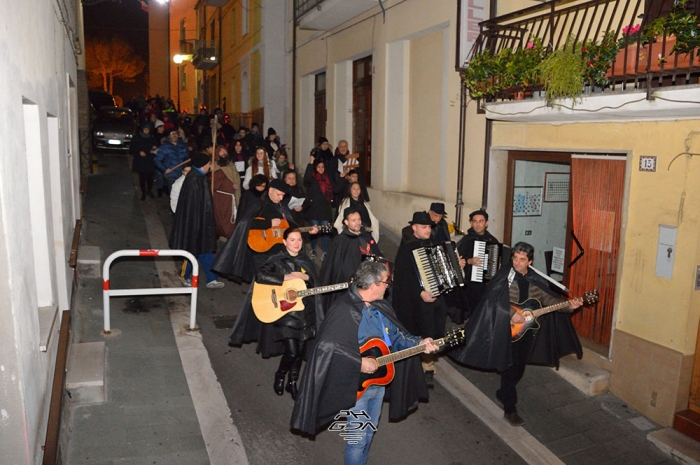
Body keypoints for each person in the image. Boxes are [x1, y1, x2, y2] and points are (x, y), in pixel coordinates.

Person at [290, 261, 440, 465]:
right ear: (374, 285)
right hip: (355, 387)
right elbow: (326, 348)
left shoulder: (381, 307)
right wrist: (358, 362)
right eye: (386, 282)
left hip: (378, 384)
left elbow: (396, 337)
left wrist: (420, 342)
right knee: (358, 441)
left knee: (369, 433)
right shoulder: (344, 310)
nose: (389, 285)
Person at [450, 242, 583, 427]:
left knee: (518, 368)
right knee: (509, 366)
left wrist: (569, 306)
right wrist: (512, 313)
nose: (517, 263)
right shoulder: (505, 275)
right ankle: (510, 409)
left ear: (530, 261)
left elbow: (548, 299)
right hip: (504, 329)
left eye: (522, 260)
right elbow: (492, 298)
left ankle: (503, 393)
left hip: (527, 332)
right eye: (515, 258)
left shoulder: (534, 279)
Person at [228, 228, 324, 399]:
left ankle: (292, 382)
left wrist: (308, 279)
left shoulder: (305, 260)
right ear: (284, 242)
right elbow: (261, 275)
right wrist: (284, 277)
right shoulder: (276, 260)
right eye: (292, 240)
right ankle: (280, 375)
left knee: (300, 351)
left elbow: (314, 286)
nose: (297, 243)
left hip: (304, 314)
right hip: (286, 313)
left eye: (299, 240)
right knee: (292, 352)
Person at [393, 211, 464, 388]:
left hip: (433, 297)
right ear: (414, 228)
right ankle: (414, 366)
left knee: (432, 327)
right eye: (423, 227)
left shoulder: (432, 244)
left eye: (429, 227)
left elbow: (442, 269)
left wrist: (456, 265)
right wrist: (420, 292)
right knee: (416, 331)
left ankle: (428, 364)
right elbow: (403, 278)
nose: (427, 230)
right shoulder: (407, 247)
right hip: (413, 299)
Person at [212, 179, 317, 283]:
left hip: (277, 251)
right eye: (278, 195)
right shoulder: (258, 203)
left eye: (283, 196)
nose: (281, 198)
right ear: (270, 190)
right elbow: (244, 222)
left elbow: (290, 226)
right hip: (260, 250)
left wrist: (308, 231)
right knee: (262, 280)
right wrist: (268, 224)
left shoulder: (281, 206)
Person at [169, 152, 225, 289]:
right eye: (209, 163)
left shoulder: (198, 177)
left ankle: (211, 278)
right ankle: (184, 276)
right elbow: (193, 206)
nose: (210, 166)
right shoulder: (195, 179)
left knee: (205, 250)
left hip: (201, 223)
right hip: (194, 224)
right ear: (205, 164)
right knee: (192, 250)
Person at [320, 208, 382, 306]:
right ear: (346, 222)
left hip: (369, 283)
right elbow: (334, 266)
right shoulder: (340, 241)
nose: (358, 223)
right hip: (349, 288)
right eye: (354, 220)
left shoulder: (366, 236)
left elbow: (377, 256)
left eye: (359, 219)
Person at [456, 209, 500, 320]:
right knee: (475, 312)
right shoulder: (466, 240)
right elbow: (455, 260)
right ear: (471, 223)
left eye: (480, 221)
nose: (477, 224)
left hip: (487, 284)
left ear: (486, 223)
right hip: (470, 284)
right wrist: (469, 261)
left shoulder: (492, 240)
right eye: (475, 221)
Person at [304, 157, 334, 258]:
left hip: (325, 209)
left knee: (325, 231)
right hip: (314, 209)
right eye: (319, 167)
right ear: (315, 167)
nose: (321, 168)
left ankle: (325, 251)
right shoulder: (312, 178)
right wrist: (310, 164)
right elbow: (306, 179)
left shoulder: (327, 178)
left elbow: (336, 187)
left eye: (322, 167)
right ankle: (313, 249)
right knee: (314, 231)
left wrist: (342, 177)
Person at [212, 145, 240, 239]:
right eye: (221, 151)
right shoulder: (213, 167)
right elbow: (211, 183)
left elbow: (236, 179)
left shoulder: (231, 166)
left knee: (229, 219)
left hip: (230, 198)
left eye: (225, 151)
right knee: (219, 218)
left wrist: (236, 185)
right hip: (218, 198)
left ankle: (229, 236)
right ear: (217, 153)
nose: (224, 153)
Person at [154, 129, 189, 196]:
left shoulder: (183, 146)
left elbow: (187, 158)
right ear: (169, 136)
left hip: (182, 175)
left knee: (183, 195)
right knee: (174, 195)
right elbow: (157, 160)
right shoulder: (164, 147)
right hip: (171, 175)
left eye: (175, 133)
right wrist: (164, 169)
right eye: (172, 134)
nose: (174, 135)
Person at [130, 121, 158, 200]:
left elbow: (156, 146)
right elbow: (132, 148)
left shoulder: (152, 138)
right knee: (142, 178)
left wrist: (154, 148)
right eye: (145, 129)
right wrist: (139, 152)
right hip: (141, 161)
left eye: (148, 129)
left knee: (150, 177)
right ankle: (143, 192)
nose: (146, 131)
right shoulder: (137, 138)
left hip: (149, 160)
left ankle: (149, 190)